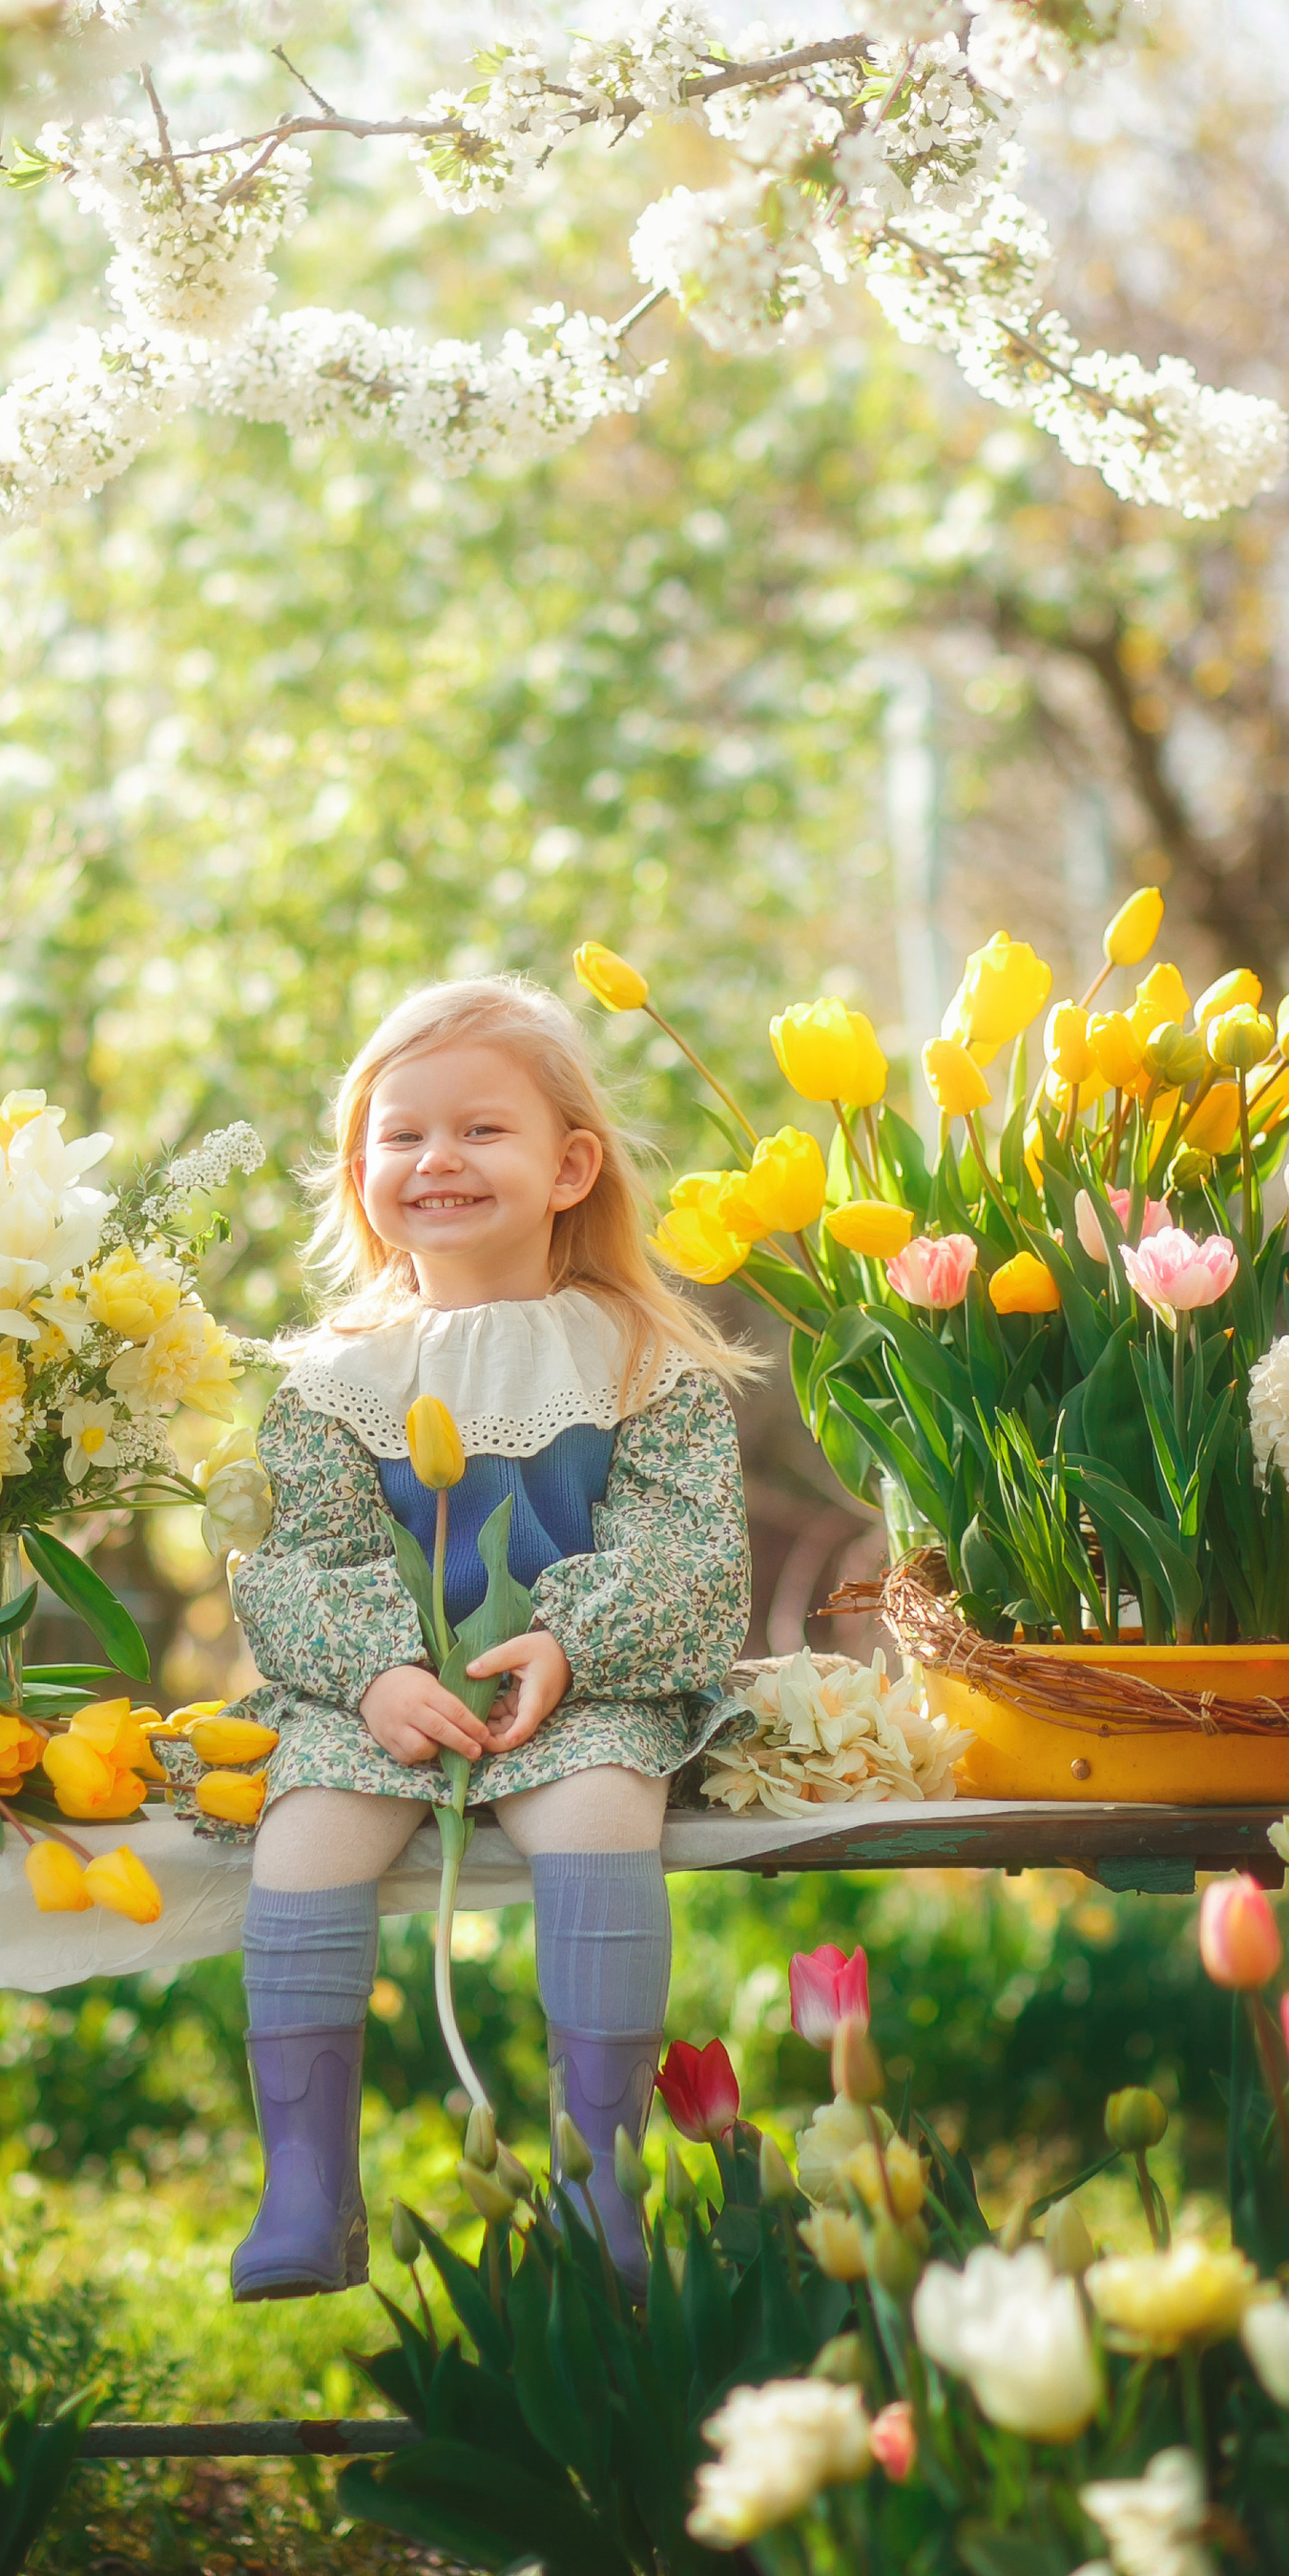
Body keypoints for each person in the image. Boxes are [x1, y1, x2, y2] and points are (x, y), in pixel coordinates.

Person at [225, 972, 754, 2298]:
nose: (436, 1161)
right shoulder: (335, 1378)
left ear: (572, 1166)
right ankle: (307, 2187)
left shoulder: (641, 1359)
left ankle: (602, 2174)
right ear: (359, 1173)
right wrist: (380, 1673)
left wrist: (571, 1643)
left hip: (582, 1690)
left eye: (481, 1130)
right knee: (306, 1835)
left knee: (594, 1820)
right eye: (401, 1136)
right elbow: (291, 1569)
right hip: (381, 1696)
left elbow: (696, 1558)